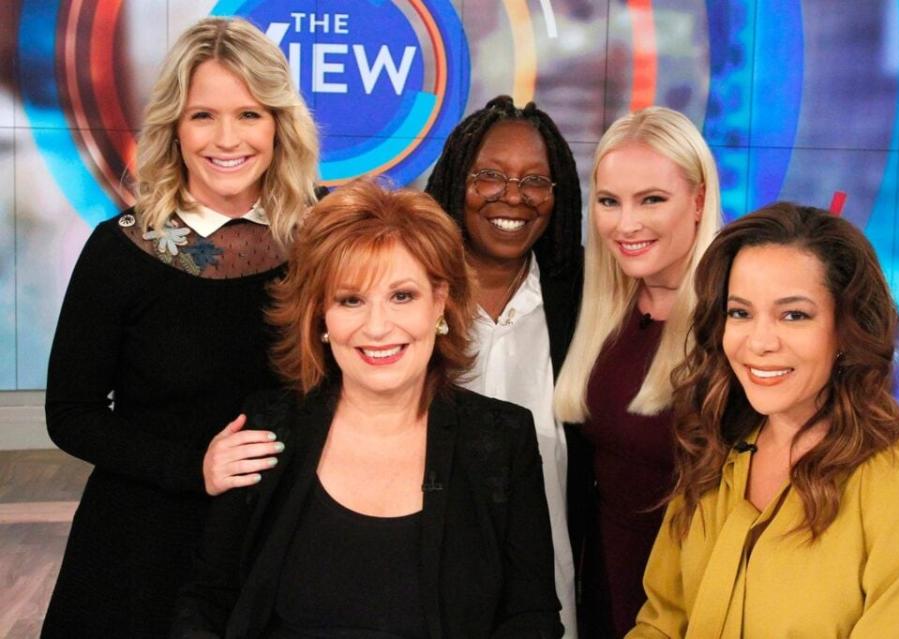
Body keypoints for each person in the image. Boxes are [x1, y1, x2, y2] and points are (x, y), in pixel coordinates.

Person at [170, 178, 563, 639]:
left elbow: (530, 618)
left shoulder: (502, 440)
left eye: (402, 296)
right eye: (351, 300)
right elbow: (207, 602)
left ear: (439, 302)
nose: (377, 327)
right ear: (320, 315)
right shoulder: (266, 429)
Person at [42, 17, 319, 637]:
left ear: (280, 122)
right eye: (203, 115)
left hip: (287, 538)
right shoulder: (124, 249)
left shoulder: (325, 235)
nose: (228, 138)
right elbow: (71, 412)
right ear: (174, 126)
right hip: (145, 544)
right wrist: (194, 467)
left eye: (250, 113)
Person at [627, 202, 899, 637]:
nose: (759, 342)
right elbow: (661, 623)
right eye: (740, 312)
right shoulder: (713, 441)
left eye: (794, 315)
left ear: (845, 328)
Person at [553, 106, 723, 637]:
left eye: (652, 199)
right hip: (605, 584)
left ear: (697, 201)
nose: (625, 224)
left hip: (697, 598)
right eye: (609, 201)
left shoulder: (734, 320)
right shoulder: (599, 308)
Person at [425, 95, 584, 636]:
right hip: (421, 596)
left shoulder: (584, 302)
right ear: (454, 180)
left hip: (547, 601)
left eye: (536, 180)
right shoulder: (407, 297)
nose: (513, 196)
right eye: (489, 174)